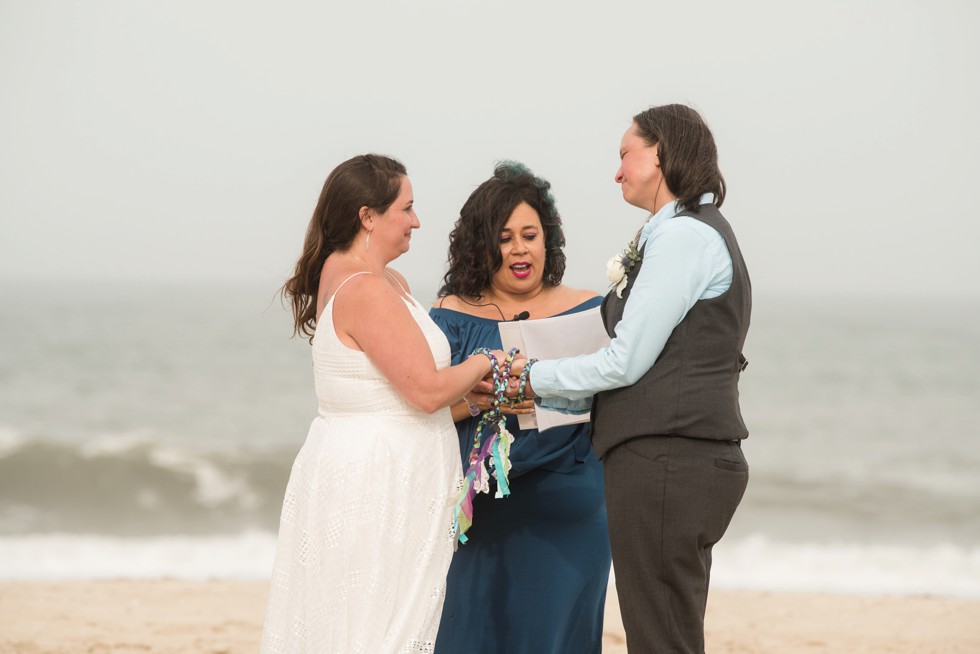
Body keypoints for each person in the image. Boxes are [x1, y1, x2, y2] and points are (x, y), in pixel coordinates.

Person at [516, 104, 752, 653]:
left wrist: (526, 377)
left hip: (668, 461)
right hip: (672, 459)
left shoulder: (685, 238)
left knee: (659, 639)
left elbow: (624, 362)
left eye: (626, 153)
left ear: (662, 152)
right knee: (664, 633)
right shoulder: (676, 234)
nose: (617, 171)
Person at [260, 154, 503, 654]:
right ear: (368, 216)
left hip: (390, 467)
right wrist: (486, 361)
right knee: (376, 629)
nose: (417, 221)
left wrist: (472, 402)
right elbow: (425, 391)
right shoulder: (364, 288)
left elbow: (404, 399)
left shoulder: (384, 282)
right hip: (376, 480)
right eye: (407, 208)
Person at [429, 161, 611, 654]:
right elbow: (423, 408)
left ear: (547, 238)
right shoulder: (451, 314)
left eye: (529, 234)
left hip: (568, 507)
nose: (519, 249)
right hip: (480, 515)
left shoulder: (590, 309)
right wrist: (473, 400)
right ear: (481, 245)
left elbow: (618, 400)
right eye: (504, 237)